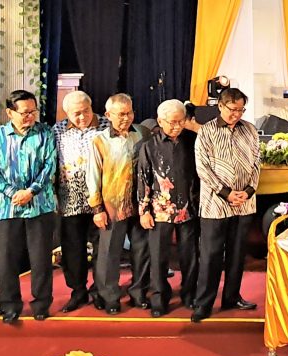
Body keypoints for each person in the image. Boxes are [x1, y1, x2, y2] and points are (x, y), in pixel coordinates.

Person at [0, 90, 57, 323]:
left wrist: (30, 191)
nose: (30, 116)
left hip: (40, 206)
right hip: (7, 208)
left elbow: (49, 165)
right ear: (10, 113)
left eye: (33, 111)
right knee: (6, 259)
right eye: (25, 113)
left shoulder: (45, 133)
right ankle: (9, 305)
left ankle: (41, 304)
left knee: (41, 259)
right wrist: (11, 193)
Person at [191, 88, 260, 322]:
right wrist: (226, 193)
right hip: (215, 204)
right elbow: (203, 168)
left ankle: (231, 297)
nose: (237, 114)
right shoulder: (207, 131)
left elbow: (257, 163)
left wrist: (248, 191)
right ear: (220, 106)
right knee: (210, 255)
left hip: (244, 203)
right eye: (233, 109)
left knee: (237, 253)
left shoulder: (250, 130)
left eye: (241, 110)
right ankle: (203, 303)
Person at [86, 93, 151, 315]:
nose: (126, 118)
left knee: (141, 251)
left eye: (130, 113)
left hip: (140, 205)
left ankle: (139, 292)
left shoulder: (142, 134)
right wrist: (97, 209)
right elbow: (93, 176)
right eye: (121, 114)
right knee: (109, 253)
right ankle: (109, 296)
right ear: (108, 115)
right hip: (112, 206)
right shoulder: (99, 141)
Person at [138, 100, 200, 317]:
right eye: (172, 122)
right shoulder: (149, 146)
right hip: (160, 209)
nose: (177, 126)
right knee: (158, 257)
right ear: (160, 121)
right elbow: (144, 179)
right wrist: (144, 210)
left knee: (190, 255)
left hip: (189, 208)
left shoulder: (193, 140)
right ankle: (159, 298)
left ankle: (190, 294)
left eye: (181, 121)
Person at [53, 90, 109, 313]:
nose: (82, 117)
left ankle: (100, 290)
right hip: (70, 198)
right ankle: (78, 290)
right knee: (73, 248)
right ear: (66, 113)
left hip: (102, 198)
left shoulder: (107, 125)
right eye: (76, 113)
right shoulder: (58, 130)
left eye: (86, 111)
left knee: (102, 248)